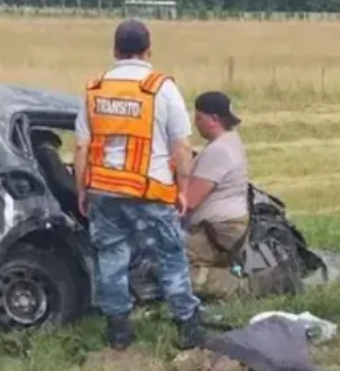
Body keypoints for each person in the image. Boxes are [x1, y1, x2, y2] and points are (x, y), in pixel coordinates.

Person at [73, 18, 205, 351]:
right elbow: (181, 147)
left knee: (112, 258)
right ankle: (188, 326)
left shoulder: (94, 89)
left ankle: (119, 331)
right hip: (151, 190)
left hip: (104, 190)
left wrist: (82, 189)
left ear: (115, 50)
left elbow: (80, 147)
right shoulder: (162, 88)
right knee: (171, 255)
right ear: (148, 50)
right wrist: (183, 189)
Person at [183, 91, 251, 301]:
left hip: (217, 232)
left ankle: (237, 286)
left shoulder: (219, 151)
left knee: (165, 261)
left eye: (199, 118)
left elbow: (190, 200)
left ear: (214, 119)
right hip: (222, 229)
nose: (195, 123)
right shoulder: (229, 141)